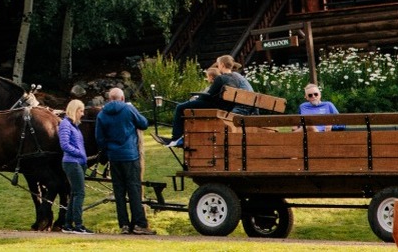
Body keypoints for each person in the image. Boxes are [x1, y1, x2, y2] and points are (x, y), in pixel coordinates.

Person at [95, 86, 155, 236]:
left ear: (109, 99)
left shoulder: (102, 114)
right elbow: (144, 123)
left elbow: (99, 138)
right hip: (130, 155)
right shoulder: (128, 110)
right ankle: (139, 224)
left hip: (114, 157)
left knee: (119, 192)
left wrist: (107, 150)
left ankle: (124, 225)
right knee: (134, 190)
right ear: (122, 98)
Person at [167, 54, 254, 147]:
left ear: (222, 65)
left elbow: (208, 95)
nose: (218, 66)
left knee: (180, 107)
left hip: (216, 105)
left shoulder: (220, 78)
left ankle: (175, 138)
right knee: (190, 105)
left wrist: (196, 98)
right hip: (226, 105)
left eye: (218, 64)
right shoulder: (236, 78)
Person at [58, 99, 92, 235]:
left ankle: (68, 224)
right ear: (74, 110)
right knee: (79, 193)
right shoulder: (66, 124)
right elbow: (65, 145)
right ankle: (78, 224)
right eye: (81, 111)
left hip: (78, 162)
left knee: (74, 193)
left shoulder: (74, 126)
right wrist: (80, 154)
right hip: (72, 162)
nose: (82, 114)